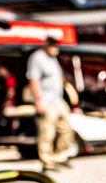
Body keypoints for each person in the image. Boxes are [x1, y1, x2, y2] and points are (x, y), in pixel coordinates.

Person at [26, 37, 74, 171]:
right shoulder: (37, 58)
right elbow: (33, 80)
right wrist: (38, 100)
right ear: (46, 45)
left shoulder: (52, 58)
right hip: (46, 100)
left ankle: (60, 157)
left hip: (58, 99)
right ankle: (47, 161)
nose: (56, 48)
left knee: (66, 129)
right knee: (47, 132)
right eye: (53, 45)